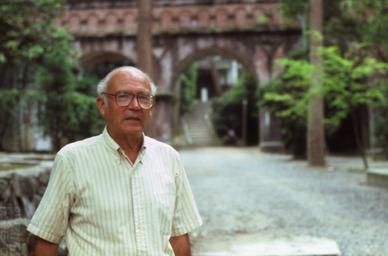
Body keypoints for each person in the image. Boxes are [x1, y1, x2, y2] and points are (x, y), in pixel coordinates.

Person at [27, 66, 202, 256]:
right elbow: (45, 240)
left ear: (151, 108)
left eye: (143, 98)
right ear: (102, 105)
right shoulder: (72, 159)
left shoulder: (169, 158)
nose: (135, 105)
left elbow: (178, 236)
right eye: (123, 96)